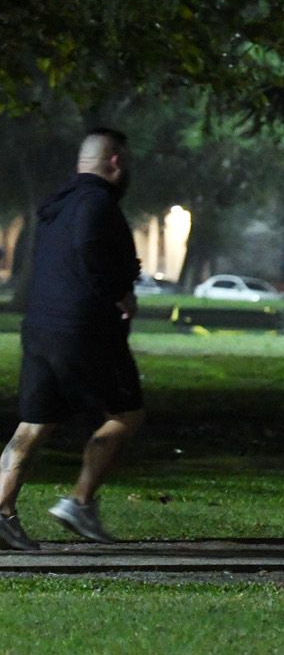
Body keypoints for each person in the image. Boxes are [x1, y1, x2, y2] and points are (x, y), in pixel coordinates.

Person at [0, 128, 145, 550]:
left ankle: (3, 511)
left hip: (41, 329)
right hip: (84, 329)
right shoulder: (97, 204)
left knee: (35, 423)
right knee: (126, 414)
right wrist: (119, 291)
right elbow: (90, 251)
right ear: (115, 161)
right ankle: (80, 501)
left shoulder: (54, 206)